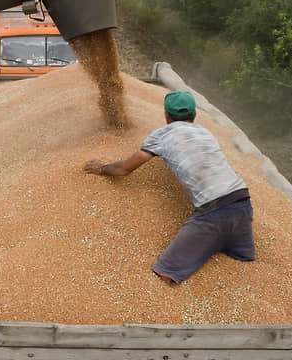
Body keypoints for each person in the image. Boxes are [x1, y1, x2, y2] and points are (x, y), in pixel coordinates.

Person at [85, 89, 255, 283]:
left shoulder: (161, 136)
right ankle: (223, 243)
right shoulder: (206, 133)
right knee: (243, 257)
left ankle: (209, 243)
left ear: (166, 114)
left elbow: (124, 169)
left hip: (213, 214)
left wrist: (102, 169)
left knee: (165, 271)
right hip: (243, 204)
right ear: (195, 114)